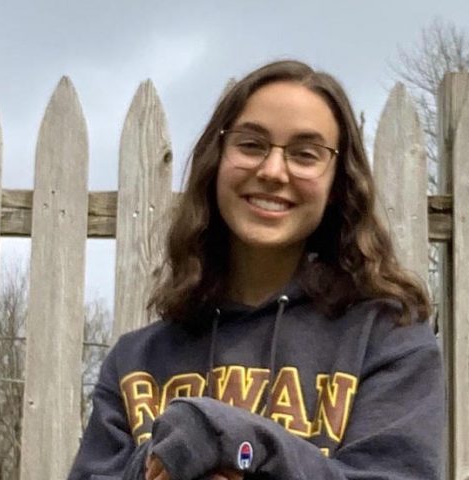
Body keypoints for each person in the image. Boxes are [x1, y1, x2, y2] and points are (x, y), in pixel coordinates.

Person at [68, 60, 444, 480]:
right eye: (251, 145)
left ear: (338, 184)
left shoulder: (386, 341)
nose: (272, 171)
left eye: (305, 154)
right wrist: (167, 460)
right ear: (216, 161)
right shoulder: (136, 361)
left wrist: (238, 440)